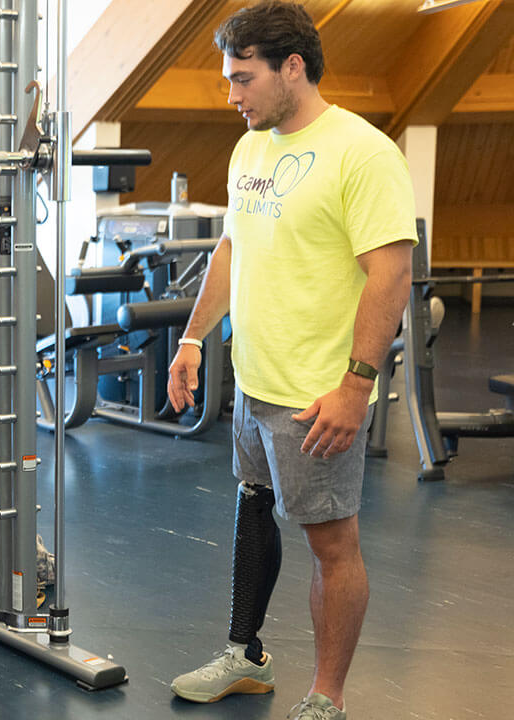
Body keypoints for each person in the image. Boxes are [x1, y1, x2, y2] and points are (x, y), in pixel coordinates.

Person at [164, 4, 416, 719]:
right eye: (229, 79)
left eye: (243, 79)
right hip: (255, 381)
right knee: (253, 508)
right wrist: (190, 340)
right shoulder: (252, 148)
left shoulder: (362, 153)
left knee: (333, 544)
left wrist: (354, 386)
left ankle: (325, 698)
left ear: (293, 68)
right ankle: (246, 658)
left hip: (316, 396)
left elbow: (390, 274)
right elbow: (231, 250)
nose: (232, 95)